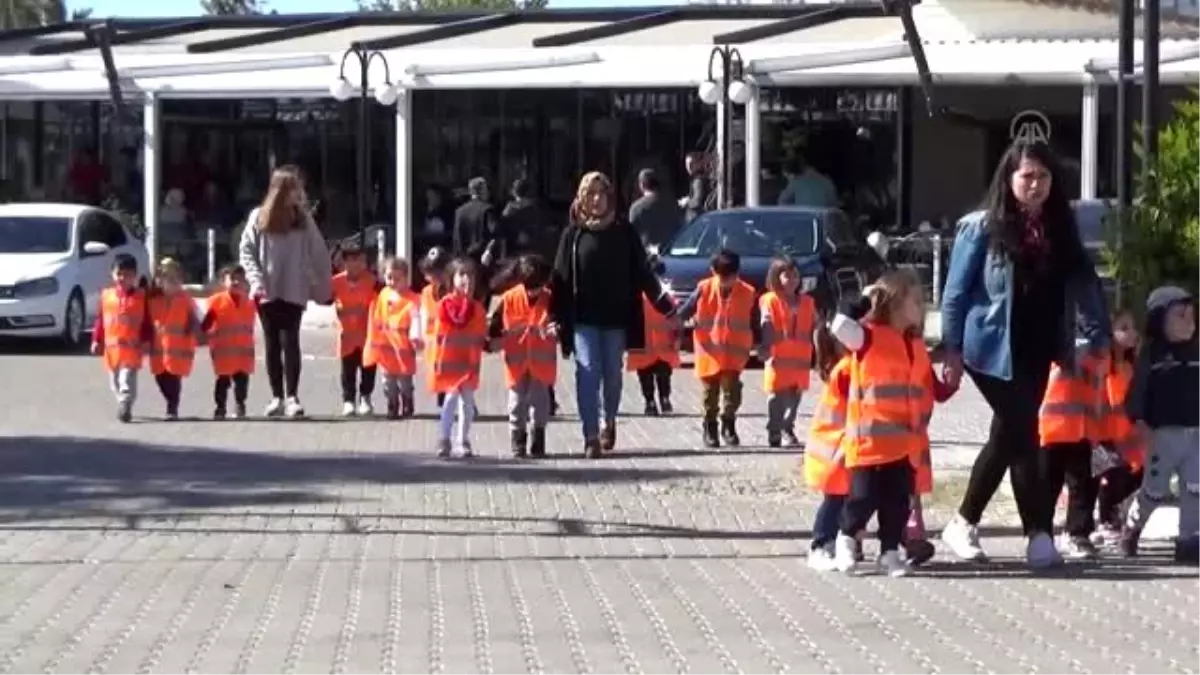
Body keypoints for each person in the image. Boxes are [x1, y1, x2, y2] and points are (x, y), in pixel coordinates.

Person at [938, 140, 1110, 568]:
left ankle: (964, 522)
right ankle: (1039, 536)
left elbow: (1086, 285)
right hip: (991, 347)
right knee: (1024, 433)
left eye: (1043, 177)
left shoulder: (1059, 227)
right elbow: (956, 294)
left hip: (1040, 348)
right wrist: (952, 350)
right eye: (1027, 176)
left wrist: (1099, 338)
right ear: (1009, 178)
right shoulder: (981, 227)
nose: (1035, 185)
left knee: (1008, 436)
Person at [551, 171, 673, 459]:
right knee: (588, 372)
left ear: (609, 197)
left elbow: (642, 272)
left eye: (601, 194)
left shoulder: (623, 231)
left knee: (612, 376)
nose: (596, 200)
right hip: (583, 319)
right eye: (590, 194)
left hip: (616, 317)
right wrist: (553, 315)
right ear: (582, 198)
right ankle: (590, 435)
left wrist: (666, 307)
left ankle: (609, 420)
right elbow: (559, 278)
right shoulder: (573, 234)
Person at [828, 270, 937, 577]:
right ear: (894, 304)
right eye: (915, 301)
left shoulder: (912, 343)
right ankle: (846, 540)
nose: (922, 306)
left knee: (897, 504)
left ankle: (890, 552)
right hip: (868, 442)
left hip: (902, 444)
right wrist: (865, 299)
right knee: (861, 498)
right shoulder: (867, 335)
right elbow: (838, 325)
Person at [239, 165, 333, 419]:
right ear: (282, 190)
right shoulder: (259, 217)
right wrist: (255, 280)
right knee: (271, 343)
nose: (300, 193)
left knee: (290, 340)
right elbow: (246, 251)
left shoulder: (302, 219)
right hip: (266, 290)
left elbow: (319, 253)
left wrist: (323, 288)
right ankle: (276, 396)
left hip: (294, 287)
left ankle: (292, 396)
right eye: (295, 188)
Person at [1122, 286, 1200, 562]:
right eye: (1180, 316)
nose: (1188, 322)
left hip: (1195, 435)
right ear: (1159, 320)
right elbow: (1137, 392)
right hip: (1162, 436)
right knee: (1154, 491)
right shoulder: (1152, 356)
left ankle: (1189, 539)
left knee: (1195, 487)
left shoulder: (1196, 352)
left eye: (1191, 316)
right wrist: (1139, 420)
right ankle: (1133, 526)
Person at [1037, 332, 1110, 560]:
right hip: (1051, 427)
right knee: (1047, 484)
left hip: (1083, 427)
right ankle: (1041, 534)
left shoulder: (1097, 340)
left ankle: (1077, 533)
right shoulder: (1052, 333)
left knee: (1084, 484)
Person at [673, 248, 756, 448]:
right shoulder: (704, 288)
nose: (727, 280)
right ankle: (710, 426)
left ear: (737, 273)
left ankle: (728, 424)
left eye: (731, 276)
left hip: (734, 354)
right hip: (709, 352)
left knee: (732, 393)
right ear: (713, 271)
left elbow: (754, 320)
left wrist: (761, 343)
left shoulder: (747, 292)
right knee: (710, 394)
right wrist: (675, 332)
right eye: (723, 276)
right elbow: (684, 312)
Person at [489, 254, 557, 458]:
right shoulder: (509, 299)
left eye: (538, 286)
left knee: (540, 404)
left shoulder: (550, 298)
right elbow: (493, 327)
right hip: (516, 364)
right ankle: (518, 440)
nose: (534, 291)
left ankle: (538, 440)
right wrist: (495, 339)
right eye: (530, 287)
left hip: (541, 364)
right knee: (516, 404)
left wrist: (556, 330)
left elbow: (558, 322)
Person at [1091, 309, 1144, 545]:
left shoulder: (1132, 367)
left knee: (1138, 473)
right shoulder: (1104, 366)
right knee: (1113, 472)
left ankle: (1113, 515)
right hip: (1105, 437)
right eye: (1124, 328)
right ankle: (1105, 520)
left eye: (1132, 327)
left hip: (1128, 436)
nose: (1132, 333)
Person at [804, 322, 855, 571]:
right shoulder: (848, 369)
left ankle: (840, 542)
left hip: (841, 444)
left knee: (847, 497)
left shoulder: (846, 366)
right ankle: (821, 543)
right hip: (835, 447)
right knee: (836, 497)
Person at [430, 257, 487, 459]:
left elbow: (481, 336)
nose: (467, 279)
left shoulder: (477, 309)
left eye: (470, 275)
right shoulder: (444, 306)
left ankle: (462, 440)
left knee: (468, 404)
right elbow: (437, 335)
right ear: (451, 279)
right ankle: (444, 439)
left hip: (469, 364)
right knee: (449, 401)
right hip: (450, 364)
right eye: (461, 275)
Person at [759, 256, 816, 448]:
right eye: (787, 276)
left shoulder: (808, 302)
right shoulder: (769, 300)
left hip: (800, 361)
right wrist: (765, 346)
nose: (792, 280)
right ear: (776, 277)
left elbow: (817, 326)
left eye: (795, 276)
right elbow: (766, 322)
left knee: (795, 398)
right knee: (777, 398)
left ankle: (787, 426)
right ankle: (774, 429)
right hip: (778, 360)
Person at [90, 254, 152, 423]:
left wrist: (147, 340)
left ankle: (125, 403)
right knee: (115, 382)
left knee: (127, 379)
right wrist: (96, 340)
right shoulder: (107, 296)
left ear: (135, 276)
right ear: (113, 274)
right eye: (120, 274)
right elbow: (101, 320)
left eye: (128, 275)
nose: (123, 278)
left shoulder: (140, 296)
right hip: (112, 350)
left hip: (132, 349)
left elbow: (147, 321)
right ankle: (123, 402)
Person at [364, 256, 422, 420]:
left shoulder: (413, 299)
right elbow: (377, 319)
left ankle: (407, 401)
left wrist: (416, 338)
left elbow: (417, 321)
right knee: (388, 382)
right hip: (386, 348)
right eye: (389, 277)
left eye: (397, 278)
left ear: (406, 278)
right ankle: (392, 405)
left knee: (405, 382)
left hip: (404, 348)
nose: (393, 282)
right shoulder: (383, 295)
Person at [330, 245, 381, 417]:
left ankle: (365, 398)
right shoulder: (336, 282)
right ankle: (348, 401)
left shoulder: (373, 282)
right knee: (347, 371)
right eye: (351, 260)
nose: (356, 264)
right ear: (344, 262)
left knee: (368, 369)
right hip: (347, 337)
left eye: (360, 260)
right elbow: (324, 297)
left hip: (367, 336)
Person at [146, 258, 199, 420]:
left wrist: (196, 329)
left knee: (174, 378)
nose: (171, 283)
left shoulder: (185, 299)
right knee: (160, 378)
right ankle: (170, 401)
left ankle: (172, 407)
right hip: (158, 348)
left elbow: (194, 318)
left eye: (175, 280)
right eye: (167, 279)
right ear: (159, 280)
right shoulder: (153, 299)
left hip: (178, 347)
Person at [202, 265, 256, 420]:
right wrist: (201, 333)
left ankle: (240, 404)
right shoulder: (217, 302)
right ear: (223, 282)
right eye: (232, 279)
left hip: (243, 353)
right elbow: (206, 322)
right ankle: (220, 407)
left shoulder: (250, 302)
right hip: (223, 352)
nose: (236, 282)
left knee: (242, 382)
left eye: (240, 279)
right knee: (222, 382)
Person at [626, 288, 679, 417]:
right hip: (661, 343)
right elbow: (674, 315)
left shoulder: (633, 296)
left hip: (642, 343)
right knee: (663, 374)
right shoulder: (663, 294)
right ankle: (664, 399)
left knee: (646, 375)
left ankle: (651, 403)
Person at [419, 247, 451, 411]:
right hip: (433, 347)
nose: (435, 276)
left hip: (451, 345)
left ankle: (460, 404)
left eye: (439, 271)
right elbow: (424, 316)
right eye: (431, 272)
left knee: (453, 378)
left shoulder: (454, 292)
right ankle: (444, 406)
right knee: (438, 378)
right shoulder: (426, 292)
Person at [628, 168, 682, 249]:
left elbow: (631, 236)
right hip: (672, 251)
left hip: (647, 254)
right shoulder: (672, 203)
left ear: (642, 185)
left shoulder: (636, 208)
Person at [454, 177, 503, 262]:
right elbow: (495, 234)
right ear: (483, 190)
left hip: (464, 259)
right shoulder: (487, 209)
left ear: (471, 191)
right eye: (486, 189)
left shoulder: (459, 212)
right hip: (482, 259)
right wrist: (488, 251)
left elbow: (456, 237)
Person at [683, 152, 710, 224]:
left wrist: (685, 202)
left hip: (699, 220)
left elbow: (696, 202)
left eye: (692, 163)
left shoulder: (698, 180)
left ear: (699, 164)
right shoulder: (698, 179)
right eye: (687, 164)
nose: (689, 167)